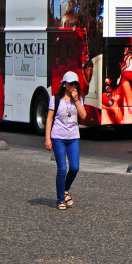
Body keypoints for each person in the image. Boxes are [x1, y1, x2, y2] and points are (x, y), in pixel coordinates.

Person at [48, 70, 83, 210]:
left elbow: (84, 115)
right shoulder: (55, 99)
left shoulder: (78, 98)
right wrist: (47, 138)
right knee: (62, 168)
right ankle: (60, 199)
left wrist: (76, 100)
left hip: (73, 137)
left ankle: (65, 189)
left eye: (75, 84)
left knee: (74, 168)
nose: (73, 86)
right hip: (58, 137)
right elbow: (49, 119)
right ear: (64, 84)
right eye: (70, 84)